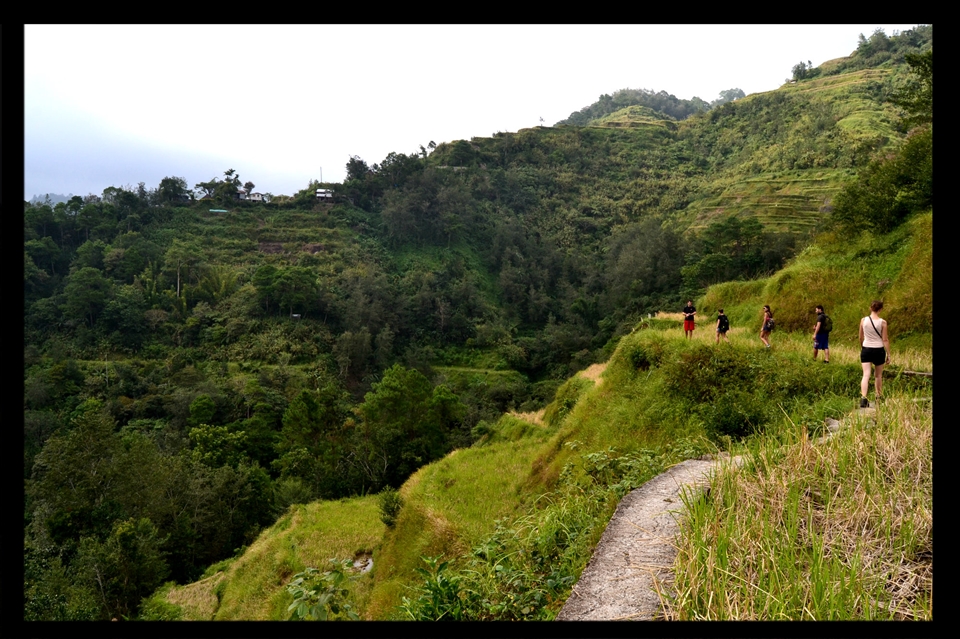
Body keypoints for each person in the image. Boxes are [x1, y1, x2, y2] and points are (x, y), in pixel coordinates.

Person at [858, 300, 891, 408]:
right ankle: (878, 396)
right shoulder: (883, 322)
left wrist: (862, 347)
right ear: (880, 309)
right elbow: (885, 339)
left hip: (866, 349)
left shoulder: (863, 320)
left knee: (866, 374)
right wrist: (889, 354)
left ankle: (863, 398)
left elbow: (860, 337)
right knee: (878, 375)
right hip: (878, 350)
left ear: (870, 308)